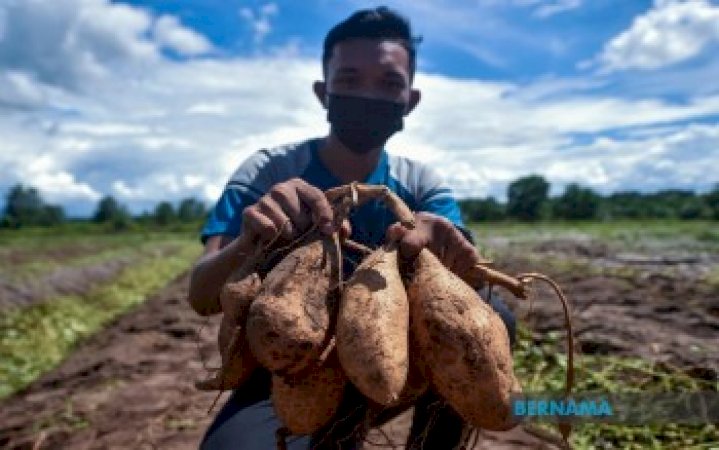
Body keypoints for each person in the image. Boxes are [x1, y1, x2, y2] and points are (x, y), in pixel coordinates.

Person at [188, 6, 515, 449]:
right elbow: (202, 295)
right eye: (349, 80)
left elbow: (468, 276)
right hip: (288, 366)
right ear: (323, 92)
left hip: (392, 359)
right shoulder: (270, 170)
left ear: (410, 100)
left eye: (388, 83)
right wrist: (251, 240)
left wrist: (448, 253)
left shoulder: (419, 184)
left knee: (493, 314)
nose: (368, 94)